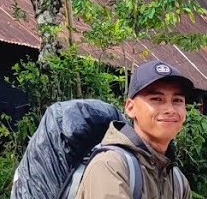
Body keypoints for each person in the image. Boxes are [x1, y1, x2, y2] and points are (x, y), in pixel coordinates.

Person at [77, 59, 194, 199]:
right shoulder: (111, 166)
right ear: (130, 108)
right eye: (157, 99)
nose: (170, 109)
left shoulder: (178, 182)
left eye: (177, 100)